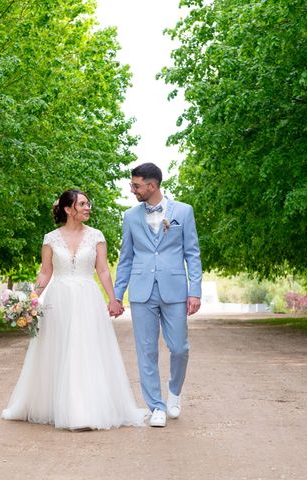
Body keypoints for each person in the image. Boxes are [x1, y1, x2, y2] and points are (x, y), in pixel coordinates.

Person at [2, 189, 146, 430]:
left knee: (84, 350)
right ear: (69, 210)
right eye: (82, 204)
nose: (88, 207)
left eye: (88, 203)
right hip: (58, 299)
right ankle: (56, 405)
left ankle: (84, 410)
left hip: (87, 298)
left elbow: (102, 270)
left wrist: (113, 299)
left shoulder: (97, 236)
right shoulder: (50, 238)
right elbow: (45, 272)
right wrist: (29, 300)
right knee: (59, 349)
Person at [114, 163, 202, 428]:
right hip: (141, 292)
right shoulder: (130, 216)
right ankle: (156, 406)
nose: (132, 190)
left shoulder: (184, 212)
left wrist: (195, 290)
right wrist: (118, 295)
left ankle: (174, 391)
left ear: (152, 186)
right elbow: (126, 258)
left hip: (174, 290)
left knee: (179, 347)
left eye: (136, 185)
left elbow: (192, 253)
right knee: (146, 351)